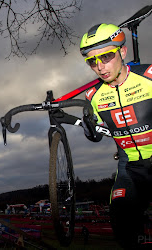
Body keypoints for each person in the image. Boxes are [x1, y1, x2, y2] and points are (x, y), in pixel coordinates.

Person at [80, 23, 152, 249]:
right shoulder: (93, 96)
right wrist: (89, 128)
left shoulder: (149, 76)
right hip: (129, 167)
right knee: (121, 222)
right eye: (92, 61)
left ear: (122, 51)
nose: (100, 67)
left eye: (106, 56)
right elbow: (98, 135)